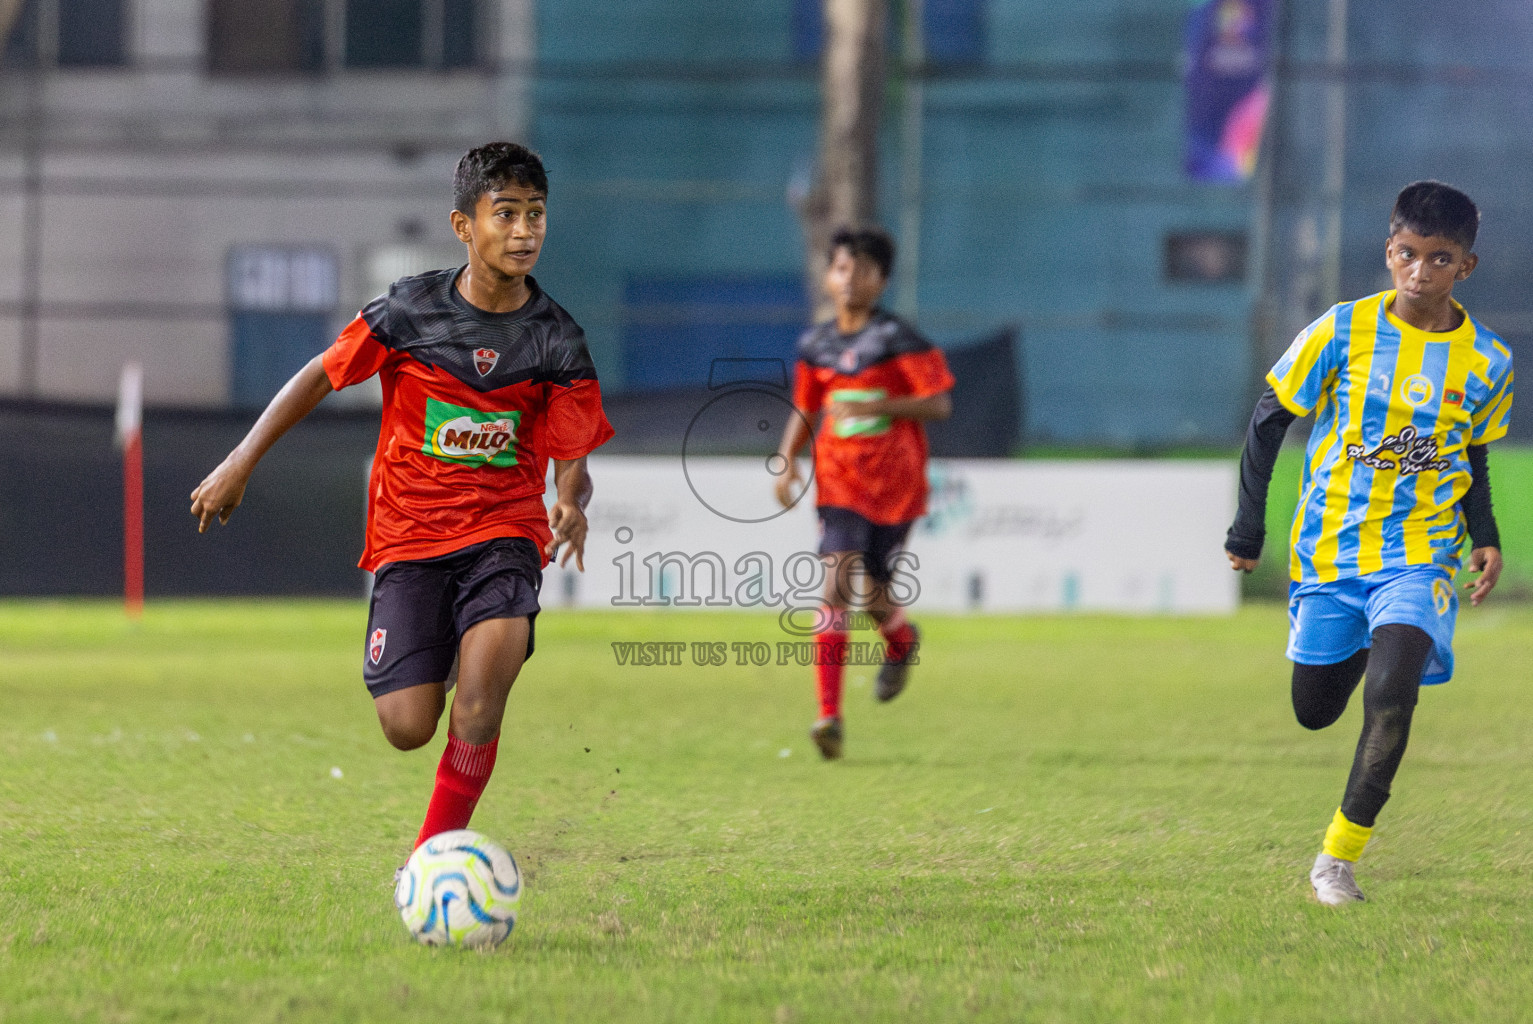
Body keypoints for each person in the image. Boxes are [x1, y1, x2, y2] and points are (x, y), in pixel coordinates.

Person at [191, 142, 613, 850]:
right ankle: (440, 650)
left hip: (505, 535)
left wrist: (570, 498)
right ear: (463, 225)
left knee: (479, 706)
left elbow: (572, 453)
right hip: (411, 538)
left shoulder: (557, 339)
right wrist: (241, 459)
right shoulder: (407, 311)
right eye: (504, 214)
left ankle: (428, 860)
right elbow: (320, 375)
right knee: (407, 727)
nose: (523, 231)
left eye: (535, 215)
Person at [1225, 181, 1513, 905]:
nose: (1420, 272)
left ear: (1464, 267)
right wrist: (1247, 526)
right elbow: (1267, 420)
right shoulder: (1339, 332)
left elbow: (1471, 457)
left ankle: (1336, 860)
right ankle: (1362, 635)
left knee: (1391, 695)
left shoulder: (1487, 363)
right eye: (1408, 255)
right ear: (1389, 252)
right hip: (1330, 552)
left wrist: (1484, 536)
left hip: (1421, 553)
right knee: (1314, 709)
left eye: (1438, 258)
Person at [773, 225, 955, 760]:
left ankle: (900, 640)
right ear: (829, 275)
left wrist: (876, 406)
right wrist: (786, 461)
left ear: (881, 280)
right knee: (834, 586)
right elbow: (806, 406)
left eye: (863, 270)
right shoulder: (817, 344)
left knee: (875, 590)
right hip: (837, 483)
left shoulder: (898, 339)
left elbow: (939, 403)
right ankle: (829, 716)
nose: (850, 279)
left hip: (895, 487)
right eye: (841, 268)